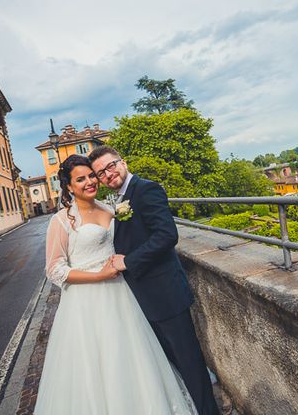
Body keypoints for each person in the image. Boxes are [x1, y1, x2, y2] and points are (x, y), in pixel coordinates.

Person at [35, 155, 197, 414]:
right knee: (99, 365)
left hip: (124, 294)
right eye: (81, 179)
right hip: (86, 302)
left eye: (91, 176)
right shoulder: (62, 221)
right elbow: (54, 270)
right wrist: (99, 276)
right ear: (68, 186)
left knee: (134, 358)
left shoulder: (111, 209)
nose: (90, 182)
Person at [88, 146, 219, 415]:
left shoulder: (146, 189)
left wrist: (129, 261)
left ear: (122, 162)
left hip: (165, 294)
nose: (108, 174)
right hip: (143, 297)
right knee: (172, 362)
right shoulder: (118, 198)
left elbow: (167, 235)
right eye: (101, 172)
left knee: (189, 361)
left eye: (111, 166)